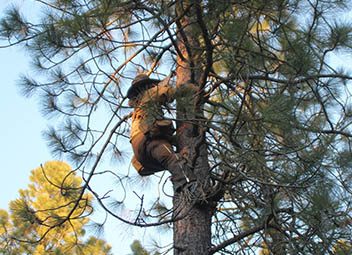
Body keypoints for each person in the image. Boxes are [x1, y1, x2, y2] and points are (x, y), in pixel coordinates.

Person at [127, 73, 197, 192]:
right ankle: (190, 186)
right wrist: (195, 89)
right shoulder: (150, 93)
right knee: (173, 160)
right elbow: (169, 92)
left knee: (168, 160)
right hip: (150, 140)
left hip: (140, 153)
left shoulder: (137, 110)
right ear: (147, 86)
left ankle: (181, 185)